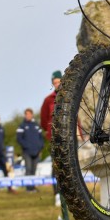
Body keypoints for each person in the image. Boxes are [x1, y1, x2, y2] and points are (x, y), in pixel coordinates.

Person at [41, 70, 62, 206]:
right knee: (56, 166)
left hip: (70, 137)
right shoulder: (48, 100)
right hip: (54, 138)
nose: (57, 84)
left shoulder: (71, 97)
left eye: (59, 82)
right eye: (54, 82)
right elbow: (43, 120)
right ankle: (57, 194)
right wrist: (49, 131)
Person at [16, 108, 45, 191]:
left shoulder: (36, 125)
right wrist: (26, 146)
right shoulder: (22, 126)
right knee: (28, 169)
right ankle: (28, 188)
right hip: (27, 152)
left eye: (29, 114)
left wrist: (41, 147)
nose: (28, 115)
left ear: (32, 115)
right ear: (25, 115)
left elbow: (41, 138)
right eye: (27, 114)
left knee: (34, 170)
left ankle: (32, 186)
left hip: (37, 151)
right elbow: (19, 139)